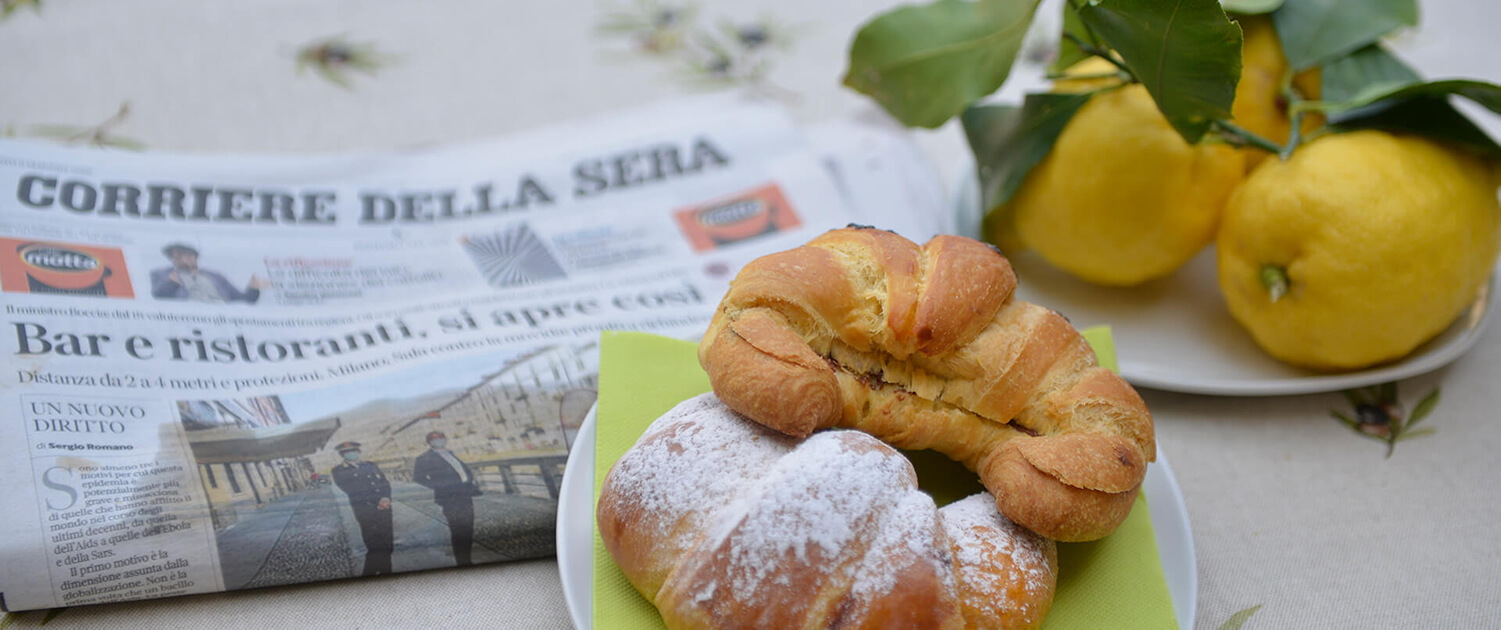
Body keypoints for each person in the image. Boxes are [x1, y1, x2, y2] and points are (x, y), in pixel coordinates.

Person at [412, 431, 481, 567]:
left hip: (464, 495)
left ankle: (466, 559)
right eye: (434, 438)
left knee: (468, 528)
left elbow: (462, 472)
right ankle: (463, 562)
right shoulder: (424, 458)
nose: (438, 440)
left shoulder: (450, 454)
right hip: (450, 498)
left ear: (445, 439)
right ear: (429, 442)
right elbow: (418, 478)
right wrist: (441, 486)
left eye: (440, 438)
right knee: (458, 529)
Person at [330, 441, 394, 576]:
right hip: (366, 510)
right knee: (374, 545)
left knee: (388, 544)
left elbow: (384, 482)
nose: (351, 454)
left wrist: (385, 498)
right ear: (342, 455)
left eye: (353, 451)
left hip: (384, 507)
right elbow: (352, 489)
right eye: (347, 452)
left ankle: (386, 572)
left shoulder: (370, 465)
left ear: (358, 452)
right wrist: (377, 501)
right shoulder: (339, 470)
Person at [150, 243, 268, 303]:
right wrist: (171, 284)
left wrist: (253, 288)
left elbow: (240, 300)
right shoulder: (162, 274)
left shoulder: (216, 277)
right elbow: (157, 297)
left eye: (186, 254)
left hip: (222, 315)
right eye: (177, 256)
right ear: (173, 259)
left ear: (195, 256)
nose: (183, 258)